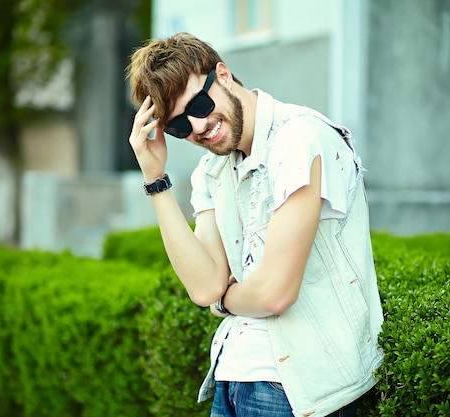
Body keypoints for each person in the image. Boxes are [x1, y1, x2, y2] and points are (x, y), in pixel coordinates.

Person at [126, 32, 384, 417]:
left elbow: (274, 293)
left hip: (298, 391)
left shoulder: (299, 139)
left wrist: (225, 301)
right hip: (231, 378)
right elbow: (204, 285)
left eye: (199, 103)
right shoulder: (212, 169)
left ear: (224, 76)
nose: (197, 126)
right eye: (179, 125)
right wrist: (155, 179)